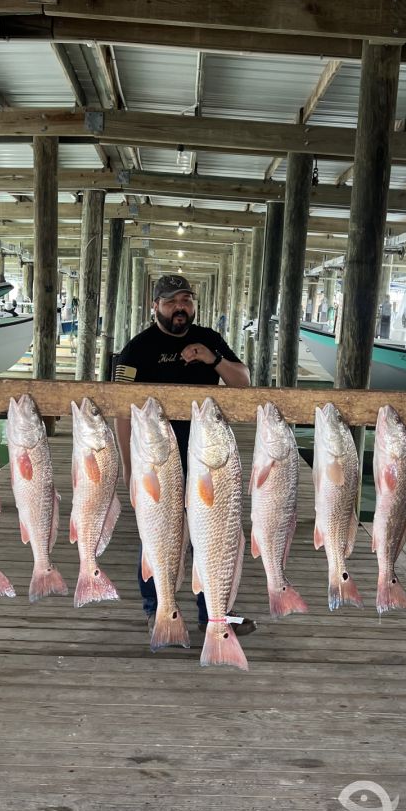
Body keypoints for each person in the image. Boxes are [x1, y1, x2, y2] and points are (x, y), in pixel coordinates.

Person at [113, 273, 256, 638]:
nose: (180, 307)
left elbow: (243, 381)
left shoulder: (209, 339)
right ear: (155, 307)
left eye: (186, 300)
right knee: (157, 532)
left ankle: (214, 613)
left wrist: (213, 359)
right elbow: (120, 409)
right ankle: (158, 608)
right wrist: (128, 467)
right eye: (171, 301)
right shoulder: (137, 348)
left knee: (212, 534)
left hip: (207, 459)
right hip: (157, 460)